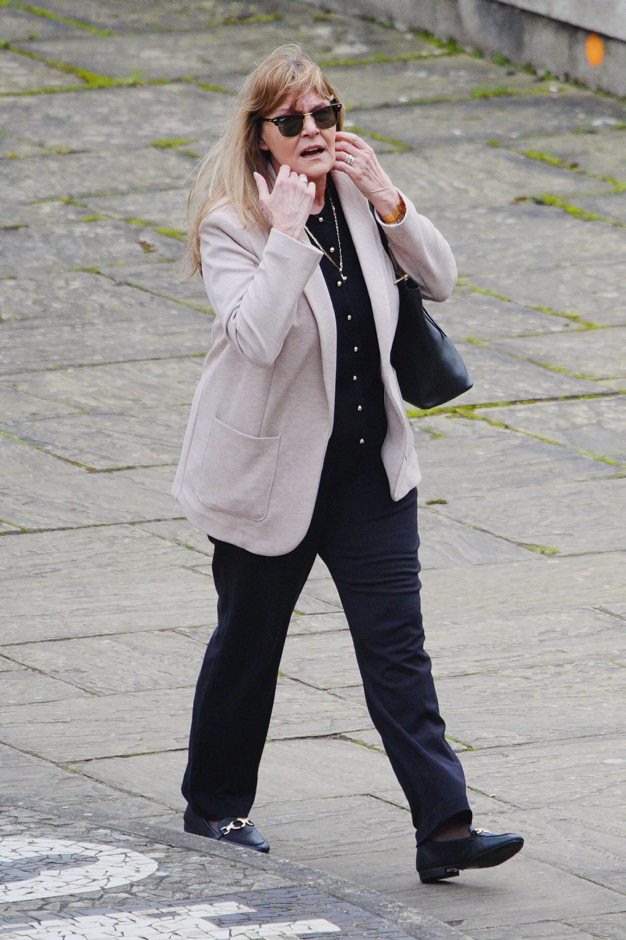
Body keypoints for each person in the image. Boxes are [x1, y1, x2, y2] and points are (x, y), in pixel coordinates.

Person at [172, 43, 523, 883]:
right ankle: (213, 807)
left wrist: (389, 198)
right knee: (248, 646)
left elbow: (441, 278)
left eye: (324, 112)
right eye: (291, 120)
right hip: (270, 479)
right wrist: (288, 233)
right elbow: (255, 337)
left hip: (368, 471)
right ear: (260, 135)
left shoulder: (362, 199)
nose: (313, 130)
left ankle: (445, 827)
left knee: (398, 651)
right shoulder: (233, 222)